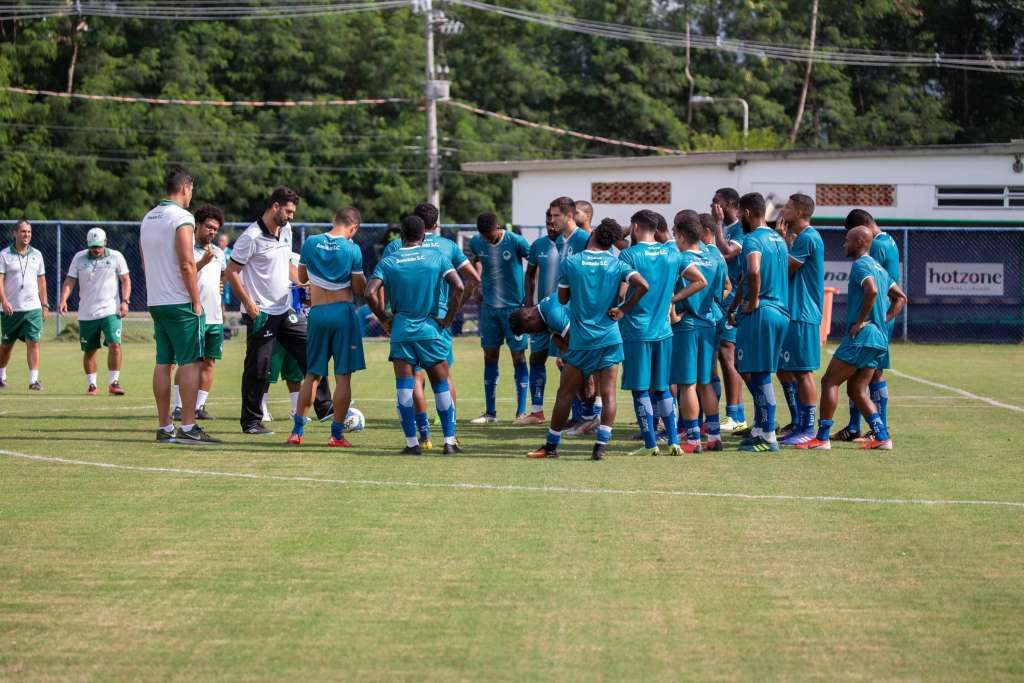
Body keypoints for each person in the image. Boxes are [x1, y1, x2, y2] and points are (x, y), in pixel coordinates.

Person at [528, 218, 649, 461]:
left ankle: (551, 447)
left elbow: (562, 300)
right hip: (610, 337)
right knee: (609, 394)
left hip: (582, 340)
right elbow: (643, 285)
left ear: (592, 234)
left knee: (565, 394)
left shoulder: (572, 262)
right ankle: (600, 447)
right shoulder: (617, 264)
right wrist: (623, 309)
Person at [225, 187, 329, 435]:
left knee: (311, 352)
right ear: (275, 206)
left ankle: (326, 409)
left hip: (285, 309)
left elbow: (286, 267)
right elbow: (231, 273)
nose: (292, 216)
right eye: (289, 211)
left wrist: (305, 286)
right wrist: (249, 305)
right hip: (261, 312)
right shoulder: (250, 237)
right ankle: (251, 422)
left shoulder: (286, 229)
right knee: (259, 367)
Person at [797, 226, 907, 451]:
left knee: (829, 381)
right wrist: (882, 320)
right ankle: (882, 437)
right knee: (857, 390)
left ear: (859, 242)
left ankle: (822, 438)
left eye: (847, 240)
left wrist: (860, 321)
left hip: (863, 336)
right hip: (878, 338)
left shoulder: (861, 265)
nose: (844, 244)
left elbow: (872, 291)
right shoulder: (880, 268)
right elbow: (901, 297)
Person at [380, 203, 480, 449]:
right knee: (443, 378)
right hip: (436, 324)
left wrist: (385, 318)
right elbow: (471, 280)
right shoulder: (446, 248)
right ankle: (450, 438)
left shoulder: (394, 249)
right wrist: (451, 315)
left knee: (413, 379)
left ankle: (420, 437)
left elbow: (377, 286)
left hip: (403, 323)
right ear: (433, 225)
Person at [139, 169, 216, 444]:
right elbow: (186, 262)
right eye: (191, 190)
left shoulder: (148, 218)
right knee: (191, 362)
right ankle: (187, 426)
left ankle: (164, 427)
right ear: (185, 189)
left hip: (156, 300)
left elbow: (145, 261)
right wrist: (196, 299)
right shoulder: (183, 217)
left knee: (163, 362)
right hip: (180, 301)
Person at [288, 207, 366, 447]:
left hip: (318, 313)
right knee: (343, 377)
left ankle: (297, 431)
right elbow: (358, 289)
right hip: (343, 313)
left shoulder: (311, 242)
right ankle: (336, 435)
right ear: (353, 228)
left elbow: (302, 277)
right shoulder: (352, 248)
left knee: (312, 375)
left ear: (335, 220)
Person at [618, 210, 683, 457]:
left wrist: (621, 308)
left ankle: (649, 443)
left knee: (641, 390)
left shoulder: (628, 254)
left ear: (634, 226)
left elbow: (621, 293)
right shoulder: (671, 253)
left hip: (637, 332)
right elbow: (694, 279)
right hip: (664, 331)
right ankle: (674, 441)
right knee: (663, 388)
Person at [728, 192, 790, 453]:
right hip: (779, 312)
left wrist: (752, 302)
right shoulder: (779, 239)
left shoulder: (753, 239)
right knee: (750, 368)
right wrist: (732, 306)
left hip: (762, 310)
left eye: (740, 212)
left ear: (747, 213)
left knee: (761, 374)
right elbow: (746, 277)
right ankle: (759, 426)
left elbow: (754, 272)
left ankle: (768, 435)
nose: (739, 217)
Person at [834, 209, 901, 443]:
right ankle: (858, 427)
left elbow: (874, 286)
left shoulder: (877, 247)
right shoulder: (888, 239)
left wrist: (880, 319)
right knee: (864, 375)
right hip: (876, 320)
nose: (847, 242)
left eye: (850, 237)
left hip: (871, 322)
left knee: (868, 375)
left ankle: (874, 429)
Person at [469, 212, 531, 424]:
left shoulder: (515, 241)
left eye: (490, 235)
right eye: (484, 236)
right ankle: (490, 413)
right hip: (489, 309)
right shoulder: (477, 242)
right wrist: (477, 284)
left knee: (518, 357)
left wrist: (530, 297)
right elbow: (476, 260)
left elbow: (534, 265)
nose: (488, 239)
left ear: (498, 227)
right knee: (490, 356)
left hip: (514, 309)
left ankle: (521, 412)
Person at [670, 211, 722, 453]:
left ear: (680, 234)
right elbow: (723, 288)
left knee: (687, 385)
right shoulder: (715, 257)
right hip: (709, 324)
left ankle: (692, 440)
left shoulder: (680, 259)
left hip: (687, 326)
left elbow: (672, 293)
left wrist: (674, 307)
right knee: (705, 382)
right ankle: (714, 436)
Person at [776, 194, 825, 446]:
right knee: (785, 369)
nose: (783, 211)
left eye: (787, 207)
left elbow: (784, 268)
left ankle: (808, 428)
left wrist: (779, 242)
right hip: (792, 313)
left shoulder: (808, 237)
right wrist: (784, 240)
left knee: (803, 371)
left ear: (799, 211)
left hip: (803, 313)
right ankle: (797, 422)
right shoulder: (799, 238)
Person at [58, 226, 131, 396]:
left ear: (105, 243)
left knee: (115, 344)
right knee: (90, 350)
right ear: (88, 244)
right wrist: (63, 299)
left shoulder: (116, 257)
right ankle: (92, 385)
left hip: (111, 310)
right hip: (87, 312)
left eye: (99, 246)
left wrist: (125, 301)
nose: (96, 250)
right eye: (92, 247)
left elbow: (125, 279)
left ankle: (114, 382)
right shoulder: (79, 258)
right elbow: (70, 280)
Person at [171, 205, 226, 420]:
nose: (212, 232)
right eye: (209, 227)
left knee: (209, 361)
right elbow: (184, 275)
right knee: (188, 362)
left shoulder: (219, 253)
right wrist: (202, 262)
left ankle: (199, 406)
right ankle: (178, 406)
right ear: (198, 226)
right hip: (193, 313)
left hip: (215, 315)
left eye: (216, 229)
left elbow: (221, 277)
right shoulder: (187, 249)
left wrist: (221, 285)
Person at [710, 188, 748, 433]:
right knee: (722, 356)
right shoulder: (727, 229)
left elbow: (726, 252)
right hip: (723, 302)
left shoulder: (740, 230)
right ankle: (734, 414)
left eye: (717, 202)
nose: (713, 206)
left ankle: (735, 415)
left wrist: (718, 224)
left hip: (734, 300)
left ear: (730, 205)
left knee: (728, 355)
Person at [520, 209, 560, 424]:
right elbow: (529, 274)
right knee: (536, 358)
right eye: (548, 222)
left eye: (554, 221)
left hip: (565, 315)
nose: (551, 225)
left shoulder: (574, 244)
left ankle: (580, 415)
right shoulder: (538, 245)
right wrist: (528, 303)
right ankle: (537, 411)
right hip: (541, 315)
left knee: (567, 363)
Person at [0, 220, 48, 391]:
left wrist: (44, 304)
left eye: (28, 231)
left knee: (33, 342)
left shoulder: (37, 255)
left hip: (33, 308)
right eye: (23, 231)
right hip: (11, 310)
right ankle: (1, 375)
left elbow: (41, 281)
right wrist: (4, 301)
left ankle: (33, 380)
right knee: (6, 346)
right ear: (15, 233)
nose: (26, 234)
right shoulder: (4, 255)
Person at [217, 232, 233, 309]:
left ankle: (223, 319)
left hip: (226, 281)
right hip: (215, 280)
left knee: (223, 302)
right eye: (220, 240)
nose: (221, 242)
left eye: (223, 240)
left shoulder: (231, 253)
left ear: (226, 242)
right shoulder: (214, 251)